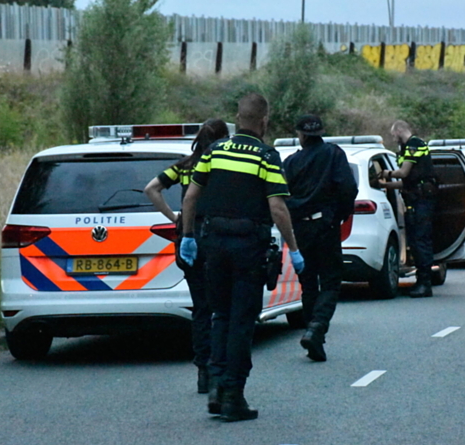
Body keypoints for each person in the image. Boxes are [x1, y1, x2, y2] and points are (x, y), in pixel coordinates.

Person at [180, 93, 304, 422]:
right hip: (248, 247)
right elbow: (277, 207)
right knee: (241, 321)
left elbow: (191, 197)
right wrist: (294, 247)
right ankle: (234, 394)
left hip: (213, 247)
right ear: (264, 122)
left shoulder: (214, 151)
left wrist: (188, 236)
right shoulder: (266, 156)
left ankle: (218, 387)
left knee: (220, 315)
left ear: (237, 119)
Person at [144, 119, 229, 394]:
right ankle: (219, 366)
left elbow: (151, 189)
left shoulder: (183, 166)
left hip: (187, 238)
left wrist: (174, 218)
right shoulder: (222, 165)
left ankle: (203, 369)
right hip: (215, 238)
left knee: (201, 307)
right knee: (221, 307)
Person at [283, 115, 358, 362]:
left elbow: (280, 195)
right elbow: (348, 188)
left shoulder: (291, 162)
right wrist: (338, 215)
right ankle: (317, 328)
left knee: (308, 283)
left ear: (300, 135)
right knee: (330, 281)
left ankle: (311, 330)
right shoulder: (334, 154)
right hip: (325, 226)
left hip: (301, 229)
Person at [379, 120, 437, 298]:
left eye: (393, 134)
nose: (393, 138)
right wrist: (386, 185)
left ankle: (425, 283)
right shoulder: (407, 148)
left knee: (420, 240)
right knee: (416, 240)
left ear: (399, 130)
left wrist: (385, 174)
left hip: (422, 199)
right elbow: (407, 181)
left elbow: (404, 173)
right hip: (416, 197)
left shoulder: (414, 145)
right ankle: (422, 280)